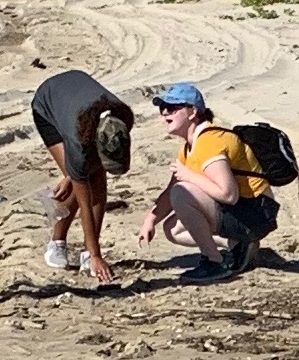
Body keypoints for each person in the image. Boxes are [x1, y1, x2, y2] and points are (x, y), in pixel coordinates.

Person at [145, 84, 278, 275]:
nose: (165, 112)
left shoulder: (210, 141)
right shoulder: (189, 147)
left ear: (192, 111)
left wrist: (189, 176)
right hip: (246, 212)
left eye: (172, 107)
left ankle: (214, 262)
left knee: (181, 193)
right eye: (162, 108)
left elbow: (228, 194)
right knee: (173, 229)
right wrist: (149, 221)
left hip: (257, 213)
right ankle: (235, 244)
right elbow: (169, 194)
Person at [31, 69, 136, 285]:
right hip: (48, 104)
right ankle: (57, 242)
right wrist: (97, 255)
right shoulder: (79, 144)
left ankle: (88, 254)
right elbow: (85, 203)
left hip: (76, 101)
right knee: (82, 182)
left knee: (94, 177)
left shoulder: (122, 121)